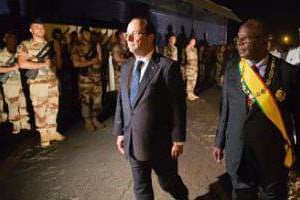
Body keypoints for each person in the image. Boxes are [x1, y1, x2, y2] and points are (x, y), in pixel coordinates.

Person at [213, 19, 299, 199]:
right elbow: (225, 110)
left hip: (273, 156)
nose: (239, 43)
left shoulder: (288, 73)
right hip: (239, 152)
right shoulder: (232, 69)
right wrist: (219, 141)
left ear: (263, 41)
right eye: (238, 39)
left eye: (245, 39)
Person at [113, 17, 188, 200]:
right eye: (127, 35)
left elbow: (178, 105)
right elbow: (122, 101)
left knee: (168, 183)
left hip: (160, 143)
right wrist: (120, 131)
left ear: (150, 37)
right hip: (133, 140)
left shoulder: (167, 67)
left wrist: (178, 139)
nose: (128, 39)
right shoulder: (127, 67)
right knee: (141, 188)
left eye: (134, 34)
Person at [17, 20, 65, 147]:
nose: (40, 29)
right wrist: (42, 64)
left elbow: (53, 64)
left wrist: (56, 78)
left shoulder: (49, 44)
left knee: (53, 107)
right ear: (31, 30)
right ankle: (44, 135)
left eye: (42, 27)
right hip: (38, 83)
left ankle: (53, 131)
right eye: (36, 27)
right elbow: (22, 64)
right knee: (40, 109)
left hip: (51, 80)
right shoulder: (25, 45)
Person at [71, 26, 104, 131]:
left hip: (96, 77)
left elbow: (100, 61)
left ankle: (95, 118)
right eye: (86, 33)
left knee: (97, 100)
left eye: (89, 33)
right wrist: (90, 62)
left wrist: (98, 51)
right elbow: (76, 64)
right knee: (86, 100)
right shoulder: (76, 47)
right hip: (85, 79)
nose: (88, 35)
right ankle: (87, 121)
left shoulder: (95, 45)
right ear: (81, 34)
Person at [0, 32, 30, 133]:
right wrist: (12, 67)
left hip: (19, 82)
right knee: (13, 104)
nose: (12, 41)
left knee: (22, 102)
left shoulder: (18, 52)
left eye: (14, 39)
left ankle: (24, 123)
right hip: (8, 83)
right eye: (10, 39)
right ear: (5, 41)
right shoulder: (1, 54)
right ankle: (16, 124)